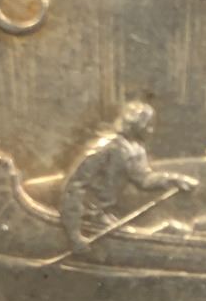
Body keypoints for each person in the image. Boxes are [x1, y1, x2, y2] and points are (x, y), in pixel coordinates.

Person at [58, 101, 197, 250]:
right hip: (87, 217)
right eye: (148, 125)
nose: (151, 130)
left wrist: (175, 180)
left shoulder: (136, 149)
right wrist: (74, 234)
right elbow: (75, 185)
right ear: (137, 124)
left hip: (104, 215)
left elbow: (143, 179)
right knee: (136, 241)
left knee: (142, 234)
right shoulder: (106, 148)